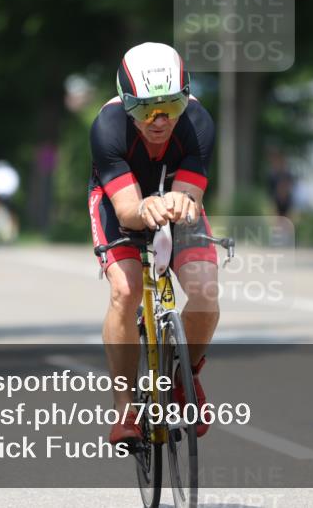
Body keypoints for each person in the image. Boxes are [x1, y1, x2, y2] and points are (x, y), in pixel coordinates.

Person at [89, 42, 218, 445]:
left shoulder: (197, 121)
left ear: (185, 98)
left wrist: (183, 201)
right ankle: (126, 409)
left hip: (174, 199)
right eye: (146, 109)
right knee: (125, 290)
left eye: (170, 106)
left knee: (205, 291)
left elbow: (190, 195)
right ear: (126, 103)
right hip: (121, 201)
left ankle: (184, 376)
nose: (159, 120)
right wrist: (148, 206)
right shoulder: (108, 126)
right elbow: (128, 211)